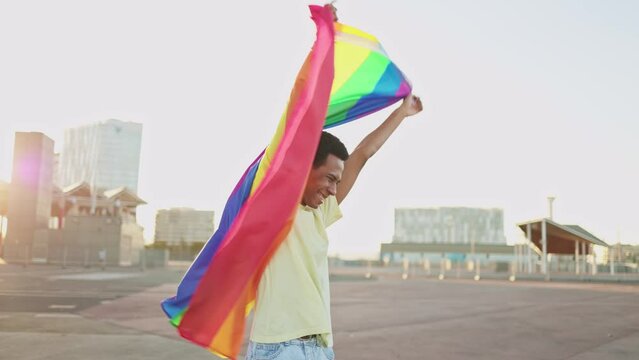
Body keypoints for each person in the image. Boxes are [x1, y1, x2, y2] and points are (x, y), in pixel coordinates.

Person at [246, 94, 423, 360]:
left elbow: (364, 153)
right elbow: (284, 145)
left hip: (320, 348)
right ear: (304, 168)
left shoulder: (320, 212)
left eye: (336, 181)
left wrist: (401, 112)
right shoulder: (273, 206)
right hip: (280, 348)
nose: (333, 190)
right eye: (329, 178)